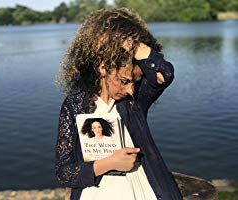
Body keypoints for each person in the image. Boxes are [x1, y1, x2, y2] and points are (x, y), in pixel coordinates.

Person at [55, 8, 182, 200]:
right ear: (103, 68)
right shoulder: (75, 104)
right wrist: (109, 163)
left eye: (136, 82)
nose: (131, 89)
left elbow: (165, 73)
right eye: (124, 80)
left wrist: (127, 41)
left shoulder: (135, 101)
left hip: (143, 190)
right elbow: (64, 171)